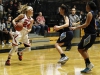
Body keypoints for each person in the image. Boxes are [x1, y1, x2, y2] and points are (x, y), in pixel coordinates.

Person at [70, 1, 97, 73]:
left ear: (88, 6)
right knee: (84, 50)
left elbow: (86, 24)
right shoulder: (92, 13)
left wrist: (75, 28)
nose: (85, 6)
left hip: (89, 35)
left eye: (86, 5)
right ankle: (88, 66)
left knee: (80, 48)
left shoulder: (89, 13)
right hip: (90, 34)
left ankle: (89, 65)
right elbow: (94, 24)